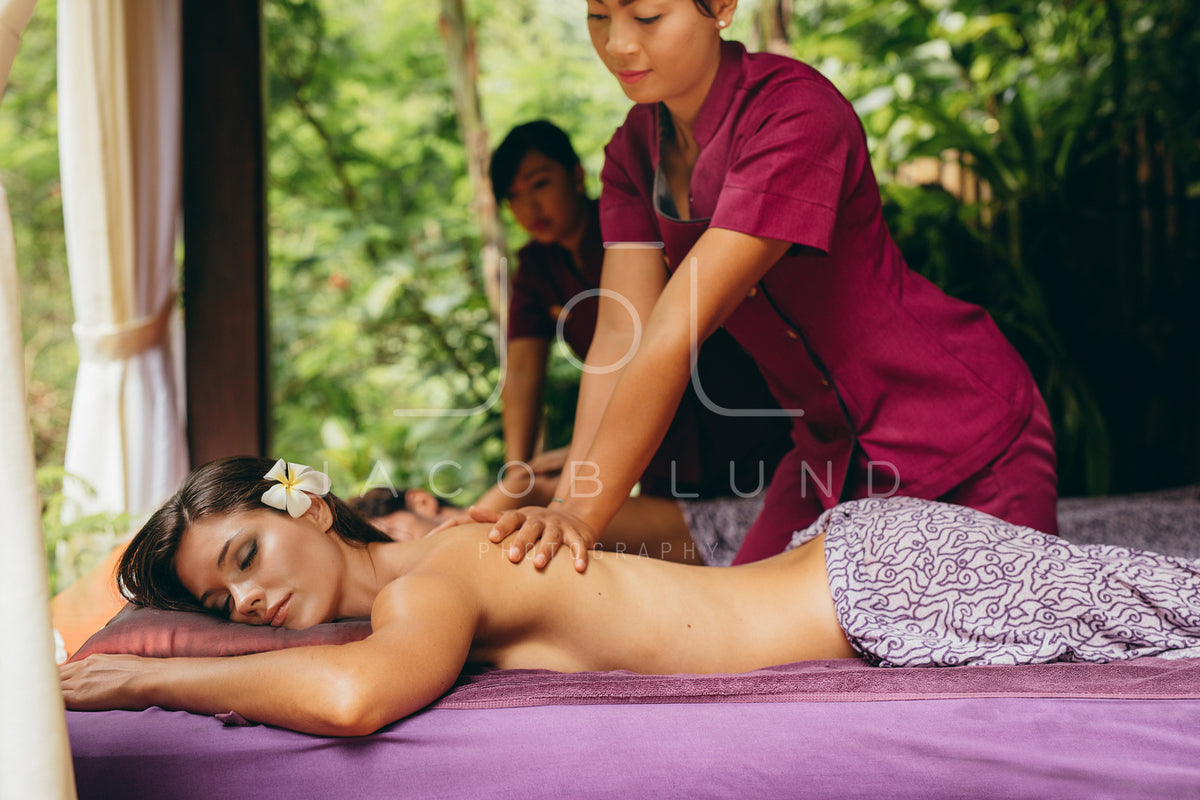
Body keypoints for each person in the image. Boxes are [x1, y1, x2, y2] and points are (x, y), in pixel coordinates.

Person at [470, 0, 1059, 572]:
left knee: (990, 653)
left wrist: (582, 516)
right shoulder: (632, 152)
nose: (618, 43)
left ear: (720, 7)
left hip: (957, 430)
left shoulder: (793, 111)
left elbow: (676, 327)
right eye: (598, 16)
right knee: (734, 650)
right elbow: (621, 330)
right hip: (826, 456)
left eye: (646, 16)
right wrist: (564, 507)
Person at [61, 457, 1200, 737]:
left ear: (306, 502)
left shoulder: (442, 570)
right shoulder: (448, 556)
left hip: (877, 580)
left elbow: (362, 695)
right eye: (223, 596)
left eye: (247, 554)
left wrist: (152, 673)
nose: (246, 601)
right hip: (855, 570)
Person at [481, 119, 791, 566]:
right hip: (664, 463)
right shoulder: (535, 268)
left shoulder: (627, 230)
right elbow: (524, 370)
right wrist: (517, 471)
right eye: (514, 197)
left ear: (576, 175)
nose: (530, 205)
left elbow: (633, 337)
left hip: (737, 425)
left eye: (540, 184)